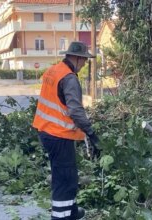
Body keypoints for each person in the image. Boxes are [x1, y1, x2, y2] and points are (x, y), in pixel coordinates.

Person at [32, 41, 100, 219]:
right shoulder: (69, 78)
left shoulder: (53, 70)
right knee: (65, 179)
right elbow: (75, 111)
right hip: (58, 135)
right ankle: (60, 216)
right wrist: (92, 134)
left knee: (66, 175)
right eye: (84, 60)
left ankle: (70, 212)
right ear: (77, 58)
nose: (85, 64)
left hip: (46, 131)